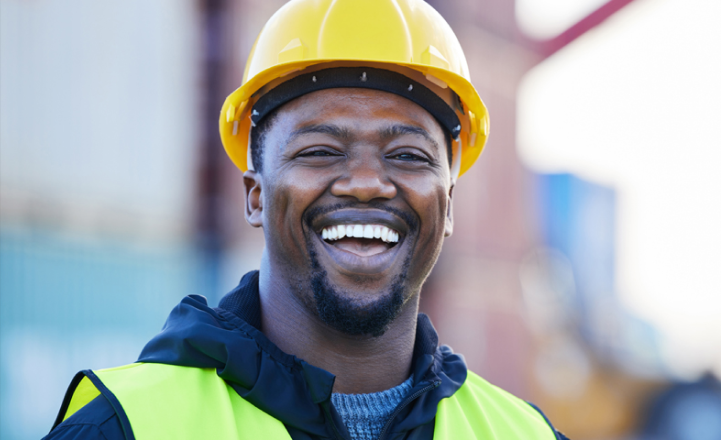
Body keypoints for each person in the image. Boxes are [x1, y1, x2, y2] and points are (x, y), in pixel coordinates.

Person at [45, 0, 569, 439]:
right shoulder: (129, 428)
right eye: (320, 150)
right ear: (255, 195)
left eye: (408, 155)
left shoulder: (523, 433)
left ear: (448, 204)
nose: (366, 182)